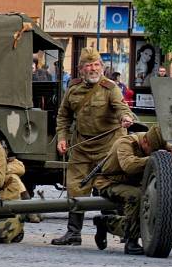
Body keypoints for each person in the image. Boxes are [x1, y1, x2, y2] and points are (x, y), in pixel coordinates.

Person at [52, 47, 135, 246]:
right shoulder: (73, 88)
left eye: (96, 64)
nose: (93, 69)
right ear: (81, 69)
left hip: (107, 147)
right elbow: (63, 116)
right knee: (75, 188)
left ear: (102, 67)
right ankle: (73, 233)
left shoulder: (110, 87)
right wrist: (62, 138)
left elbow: (121, 107)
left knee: (107, 189)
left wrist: (125, 117)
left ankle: (109, 227)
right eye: (88, 65)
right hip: (81, 146)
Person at [92, 126, 172, 255]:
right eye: (151, 151)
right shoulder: (125, 143)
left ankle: (108, 223)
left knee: (156, 196)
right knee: (135, 196)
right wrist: (157, 159)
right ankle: (130, 241)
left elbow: (170, 150)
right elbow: (129, 166)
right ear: (145, 142)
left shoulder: (154, 140)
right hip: (110, 182)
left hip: (133, 182)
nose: (151, 153)